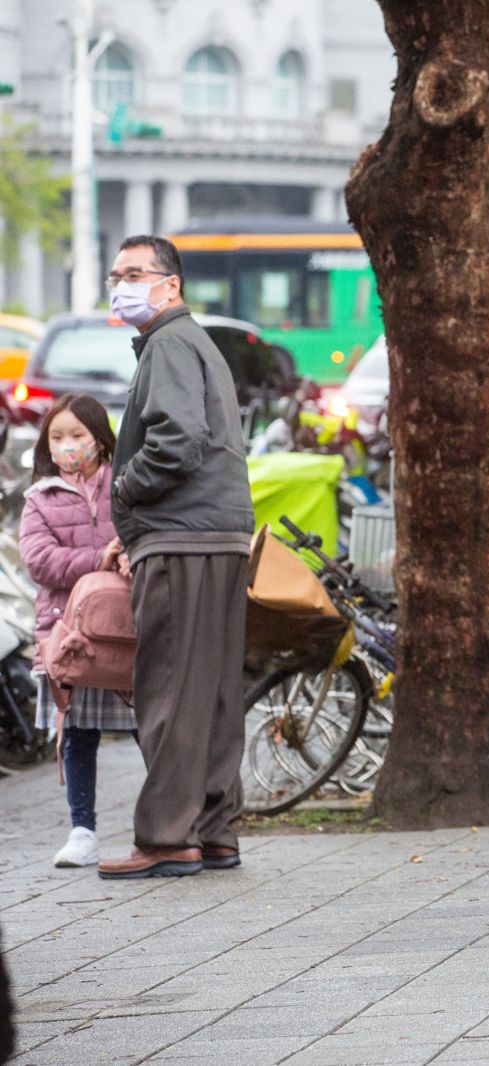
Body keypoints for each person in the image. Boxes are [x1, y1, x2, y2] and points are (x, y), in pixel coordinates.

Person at [98, 234, 256, 880]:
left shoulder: (167, 344)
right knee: (213, 693)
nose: (121, 284)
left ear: (172, 284)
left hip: (181, 537)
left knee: (167, 691)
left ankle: (167, 837)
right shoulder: (196, 344)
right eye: (115, 274)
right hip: (217, 535)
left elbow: (177, 441)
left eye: (134, 273)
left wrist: (125, 495)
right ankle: (215, 830)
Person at [18, 394, 135, 869]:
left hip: (128, 631)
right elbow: (39, 561)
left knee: (152, 728)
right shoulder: (39, 499)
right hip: (70, 637)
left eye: (78, 435)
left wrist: (128, 553)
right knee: (79, 733)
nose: (68, 446)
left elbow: (144, 534)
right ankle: (81, 830)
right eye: (57, 437)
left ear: (100, 437)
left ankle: (168, 820)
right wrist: (98, 560)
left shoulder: (126, 488)